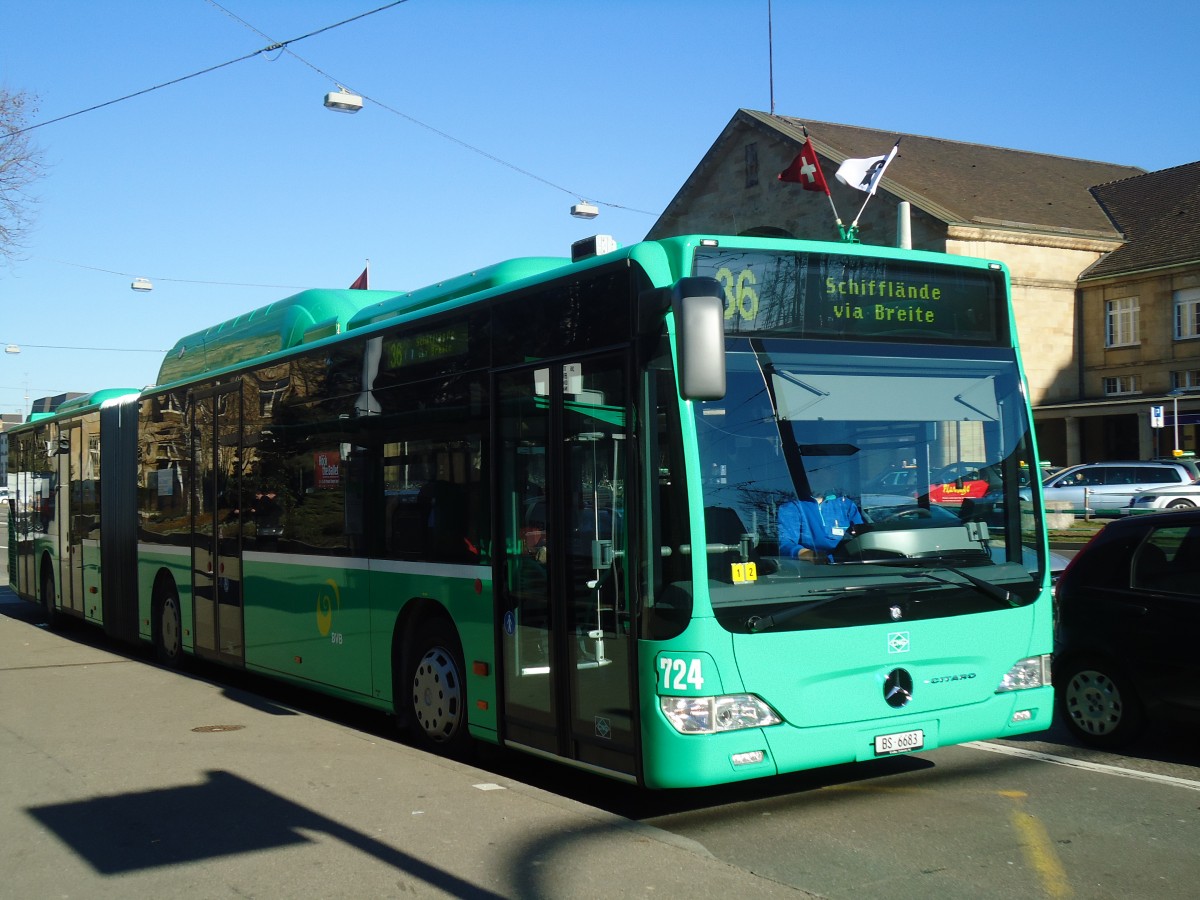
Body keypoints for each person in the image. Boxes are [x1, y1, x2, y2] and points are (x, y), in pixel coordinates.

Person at [778, 489, 863, 562]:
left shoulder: (846, 504)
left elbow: (863, 537)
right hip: (811, 571)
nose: (825, 474)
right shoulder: (793, 507)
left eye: (828, 470)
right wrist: (809, 555)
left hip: (850, 567)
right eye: (814, 471)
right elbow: (786, 545)